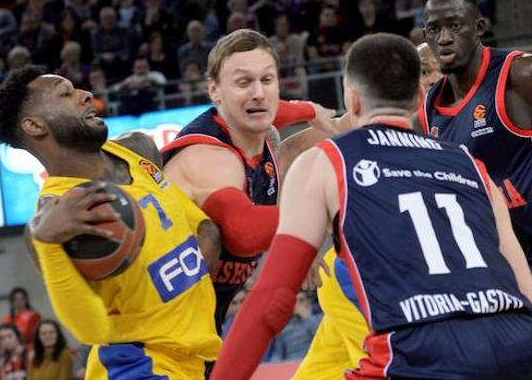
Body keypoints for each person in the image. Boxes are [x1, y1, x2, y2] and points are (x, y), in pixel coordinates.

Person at [211, 32, 532, 380]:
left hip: (423, 351)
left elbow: (269, 303)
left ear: (353, 98)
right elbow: (524, 285)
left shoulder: (328, 159)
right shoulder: (472, 164)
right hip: (516, 343)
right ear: (418, 99)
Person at [0, 66, 222, 379]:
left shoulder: (138, 149)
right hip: (140, 366)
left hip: (201, 355)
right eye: (65, 94)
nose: (86, 95)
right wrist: (47, 244)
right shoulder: (55, 218)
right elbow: (91, 330)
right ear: (34, 125)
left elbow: (206, 232)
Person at [161, 29, 337, 331]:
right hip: (149, 342)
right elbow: (243, 230)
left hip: (194, 330)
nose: (258, 92)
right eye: (243, 82)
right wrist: (308, 229)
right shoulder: (210, 157)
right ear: (214, 90)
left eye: (267, 80)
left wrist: (310, 110)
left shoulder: (253, 124)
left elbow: (267, 108)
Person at [418, 0, 532, 265]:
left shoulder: (520, 74)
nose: (444, 38)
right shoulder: (427, 108)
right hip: (500, 265)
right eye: (434, 29)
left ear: (480, 27)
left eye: (455, 26)